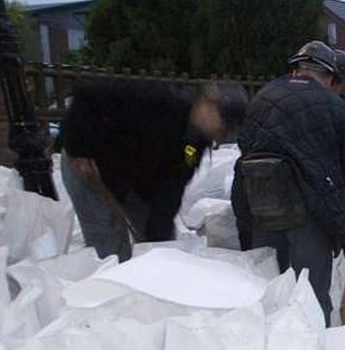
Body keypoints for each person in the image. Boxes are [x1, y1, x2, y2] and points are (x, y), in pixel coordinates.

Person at [232, 40, 345, 326]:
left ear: (296, 69)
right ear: (330, 76)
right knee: (311, 294)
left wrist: (244, 219)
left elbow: (244, 158)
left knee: (268, 291)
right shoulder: (335, 106)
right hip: (311, 213)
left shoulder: (262, 98)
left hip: (263, 206)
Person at [61, 78, 247, 261]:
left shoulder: (194, 144)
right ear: (208, 104)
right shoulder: (158, 99)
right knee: (108, 243)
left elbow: (172, 189)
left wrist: (158, 242)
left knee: (157, 245)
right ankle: (111, 284)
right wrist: (78, 148)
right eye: (223, 123)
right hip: (87, 164)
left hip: (131, 182)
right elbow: (87, 94)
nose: (221, 131)